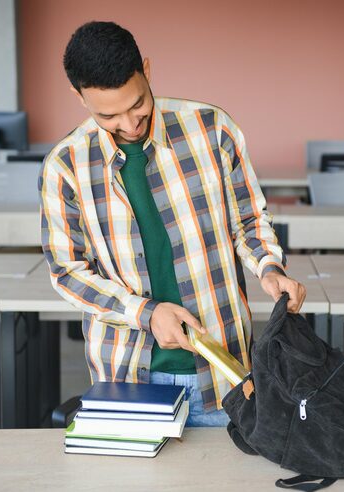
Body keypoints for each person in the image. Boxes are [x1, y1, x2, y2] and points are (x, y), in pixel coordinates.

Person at [39, 21, 306, 427]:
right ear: (79, 97)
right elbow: (68, 272)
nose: (129, 124)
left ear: (146, 70)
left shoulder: (212, 129)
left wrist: (269, 268)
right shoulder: (65, 165)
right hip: (126, 377)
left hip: (224, 373)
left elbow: (249, 220)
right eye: (108, 115)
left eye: (137, 105)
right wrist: (145, 313)